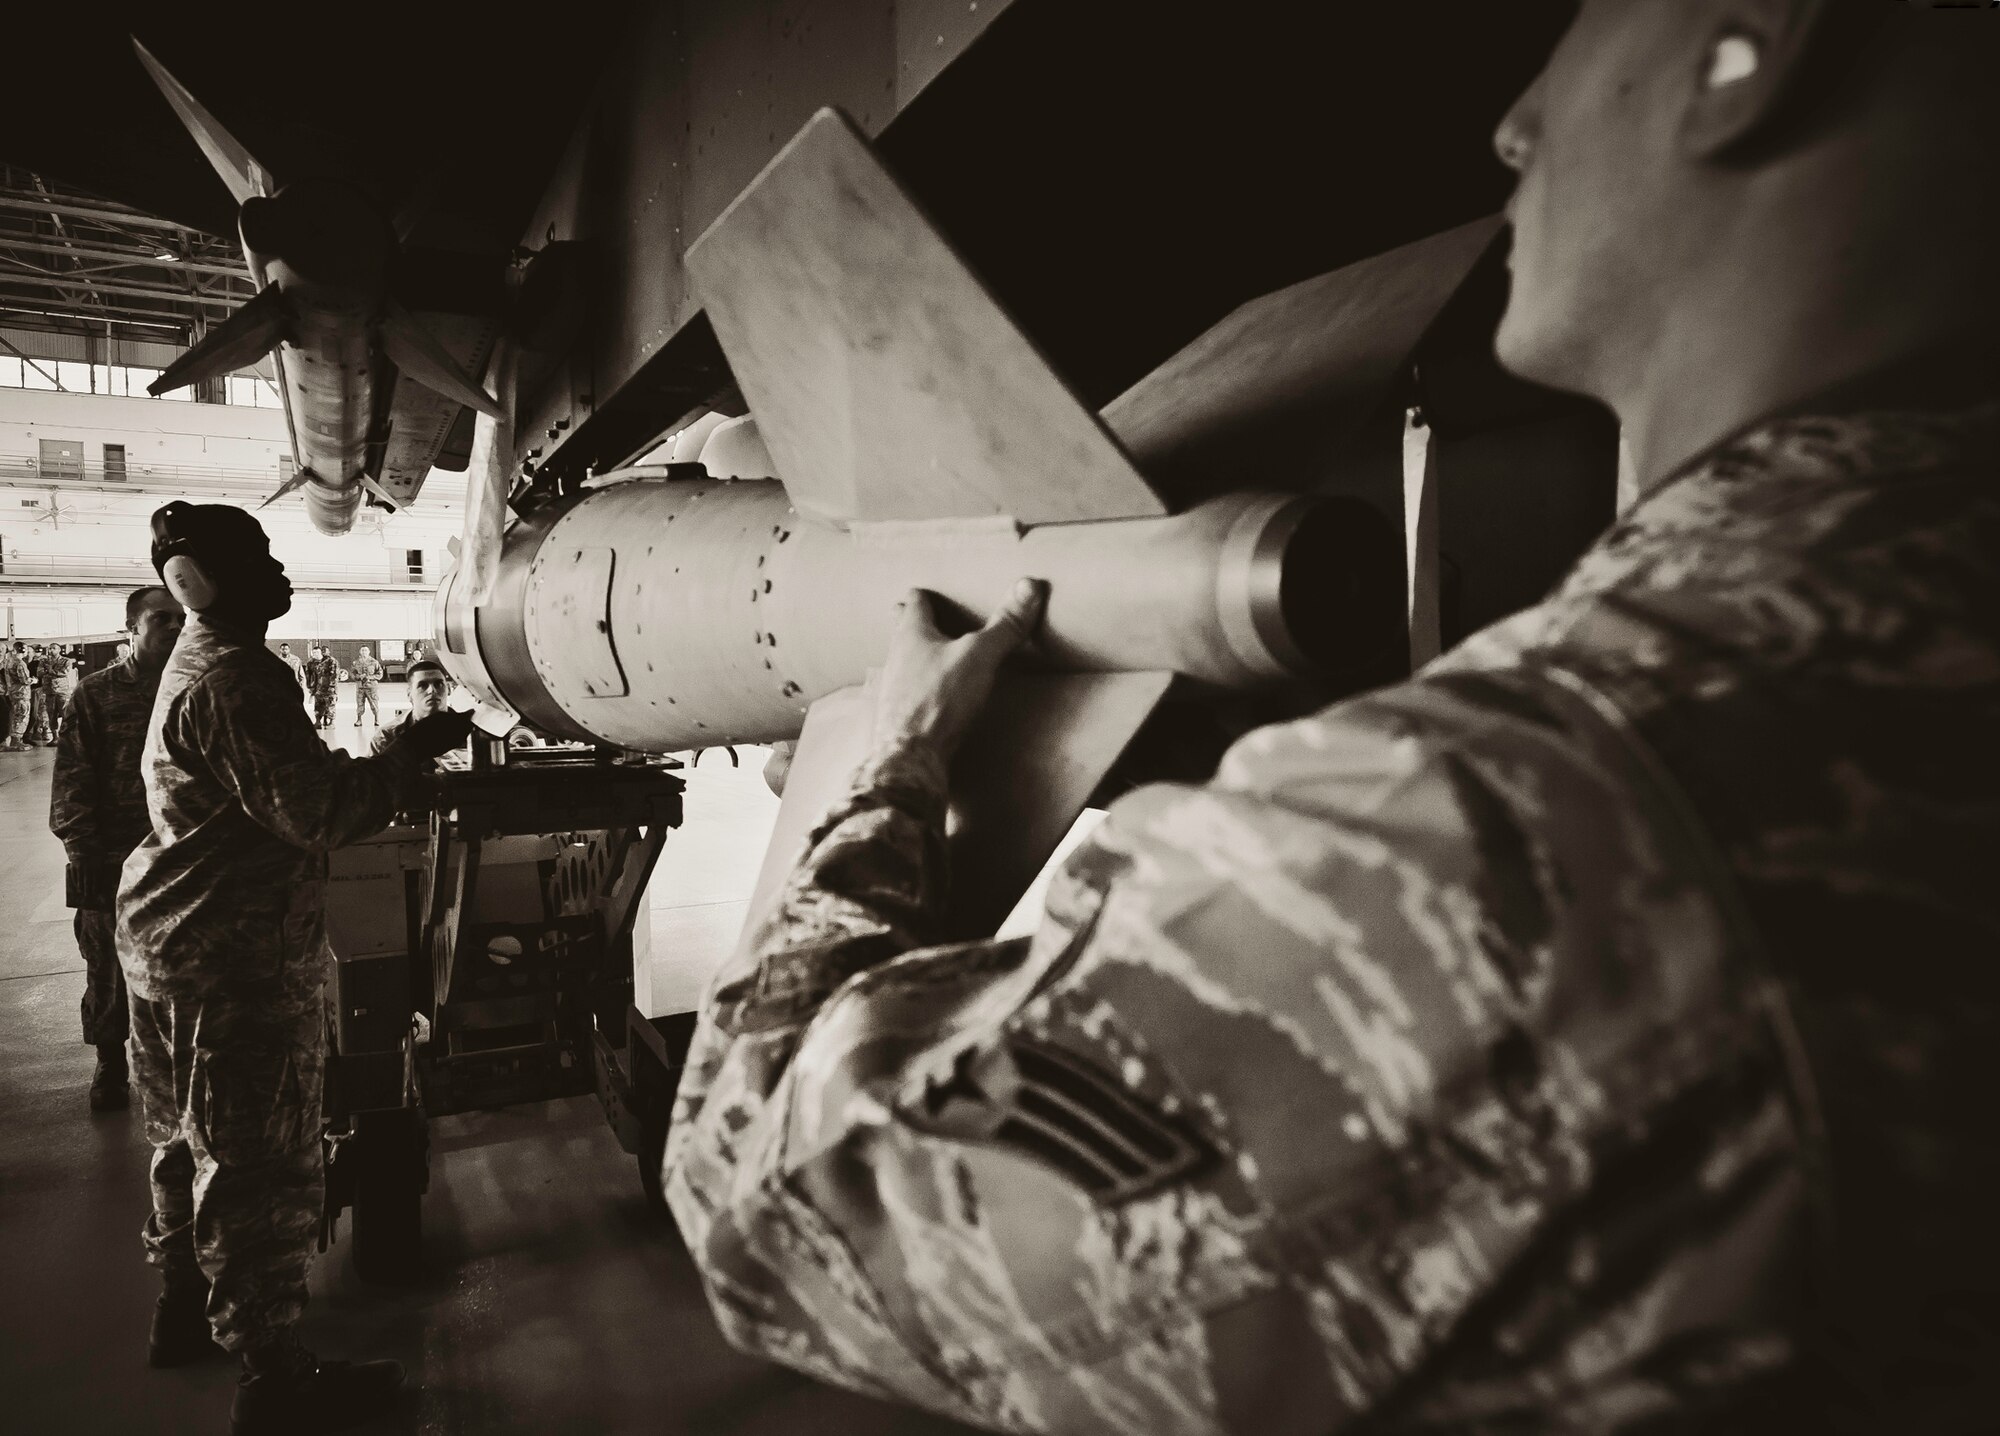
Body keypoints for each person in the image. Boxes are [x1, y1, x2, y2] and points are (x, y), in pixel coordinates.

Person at [663, 6, 1999, 1434]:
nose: (1517, 120)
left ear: (1752, 48)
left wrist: (886, 781)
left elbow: (775, 1212)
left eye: (1588, 24)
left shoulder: (1534, 827)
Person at [117, 502, 471, 1430]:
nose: (278, 572)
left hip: (172, 947)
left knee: (182, 1143)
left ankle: (183, 1312)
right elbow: (316, 814)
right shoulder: (236, 676)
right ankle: (274, 1382)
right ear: (204, 578)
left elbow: (268, 793)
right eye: (259, 558)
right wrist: (402, 760)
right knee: (257, 1166)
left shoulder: (197, 663)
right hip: (232, 959)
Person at [50, 586, 185, 1111]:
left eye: (181, 617)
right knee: (107, 966)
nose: (175, 626)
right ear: (132, 627)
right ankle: (110, 1060)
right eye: (161, 618)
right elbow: (72, 780)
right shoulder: (96, 693)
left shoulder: (194, 688)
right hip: (113, 859)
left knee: (180, 963)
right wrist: (83, 851)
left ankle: (177, 1062)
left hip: (180, 860)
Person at [368, 659, 458, 763]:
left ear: (449, 690)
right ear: (409, 694)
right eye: (422, 685)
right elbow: (373, 777)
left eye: (439, 684)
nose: (432, 690)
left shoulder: (469, 731)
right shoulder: (387, 737)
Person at [0, 641, 30, 750]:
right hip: (17, 693)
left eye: (2, 650)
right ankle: (13, 741)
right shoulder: (17, 663)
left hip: (9, 693)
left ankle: (8, 740)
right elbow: (25, 680)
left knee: (11, 716)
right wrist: (33, 680)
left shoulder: (7, 662)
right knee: (20, 715)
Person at [306, 644, 337, 729]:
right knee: (318, 706)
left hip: (329, 688)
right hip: (318, 688)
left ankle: (331, 723)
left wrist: (332, 686)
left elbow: (334, 674)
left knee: (330, 705)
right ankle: (318, 722)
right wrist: (310, 687)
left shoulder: (330, 661)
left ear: (321, 652)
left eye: (317, 652)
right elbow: (309, 675)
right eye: (314, 652)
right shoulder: (311, 663)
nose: (315, 654)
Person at [351, 645, 381, 729]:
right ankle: (359, 720)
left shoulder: (374, 662)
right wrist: (357, 676)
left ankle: (376, 719)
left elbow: (380, 674)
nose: (364, 652)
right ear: (360, 652)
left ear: (369, 652)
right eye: (362, 650)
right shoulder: (356, 662)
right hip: (360, 687)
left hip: (371, 687)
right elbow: (352, 673)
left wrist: (370, 677)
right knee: (359, 704)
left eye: (366, 650)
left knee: (374, 703)